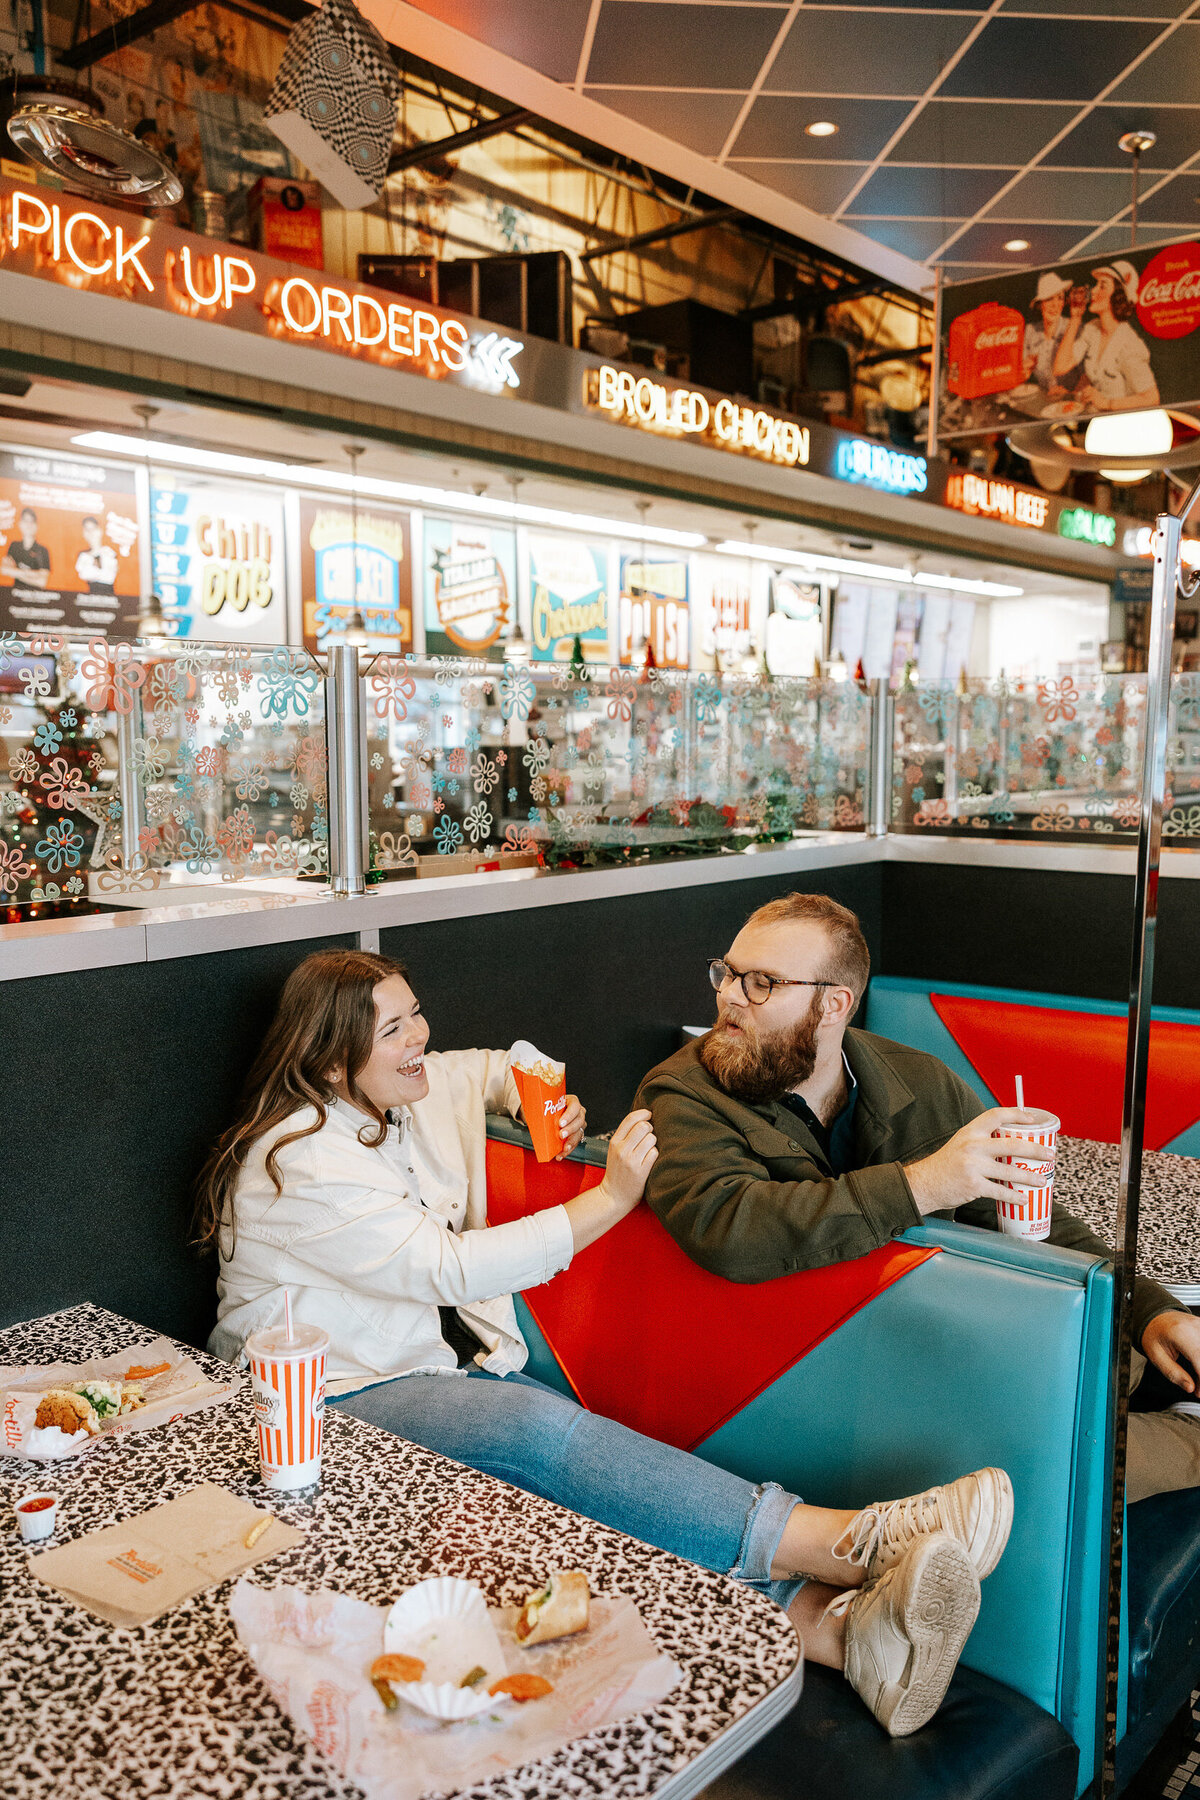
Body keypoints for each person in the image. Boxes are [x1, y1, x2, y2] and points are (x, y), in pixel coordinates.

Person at [199, 948, 1015, 1738]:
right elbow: (443, 1268)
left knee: (552, 1447)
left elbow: (489, 1063)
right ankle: (850, 1542)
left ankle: (834, 1632)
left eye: (417, 1015)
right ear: (335, 1065)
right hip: (309, 1408)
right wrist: (612, 1197)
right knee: (531, 1428)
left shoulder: (392, 1095)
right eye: (394, 1031)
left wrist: (536, 1097)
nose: (419, 1038)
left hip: (412, 1376)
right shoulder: (299, 1155)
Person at [635, 892, 1200, 1505]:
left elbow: (1029, 1216)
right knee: (1043, 1472)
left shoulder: (917, 1080)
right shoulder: (683, 1093)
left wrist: (1150, 1311)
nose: (730, 996)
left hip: (931, 1352)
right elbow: (728, 1225)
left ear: (834, 1005)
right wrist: (925, 1183)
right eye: (729, 973)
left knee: (1128, 1362)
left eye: (763, 982)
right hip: (799, 1383)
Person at [1052, 262, 1159, 412]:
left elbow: (1152, 398)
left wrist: (1108, 403)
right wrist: (1075, 318)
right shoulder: (1093, 329)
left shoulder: (1129, 345)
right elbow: (1061, 367)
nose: (1093, 291)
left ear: (1118, 296)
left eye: (1102, 286)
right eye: (1096, 285)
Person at [1022, 271, 1071, 395]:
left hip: (1072, 399)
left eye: (1060, 298)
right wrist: (1024, 369)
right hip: (1044, 400)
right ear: (1040, 304)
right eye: (1049, 299)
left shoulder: (1072, 328)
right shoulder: (1031, 331)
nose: (1055, 305)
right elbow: (1022, 373)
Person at [2, 508, 51, 591]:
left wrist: (14, 572)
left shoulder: (42, 550)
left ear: (36, 526)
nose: (29, 524)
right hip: (15, 595)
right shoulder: (14, 546)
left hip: (37, 598)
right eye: (25, 521)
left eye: (32, 521)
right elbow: (4, 570)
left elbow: (42, 582)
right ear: (20, 524)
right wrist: (33, 574)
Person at [75, 516, 118, 597]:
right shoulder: (83, 556)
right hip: (90, 597)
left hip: (110, 597)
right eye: (87, 530)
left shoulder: (110, 552)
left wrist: (94, 572)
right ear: (84, 533)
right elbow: (84, 575)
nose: (91, 533)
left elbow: (109, 577)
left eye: (93, 529)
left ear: (100, 531)